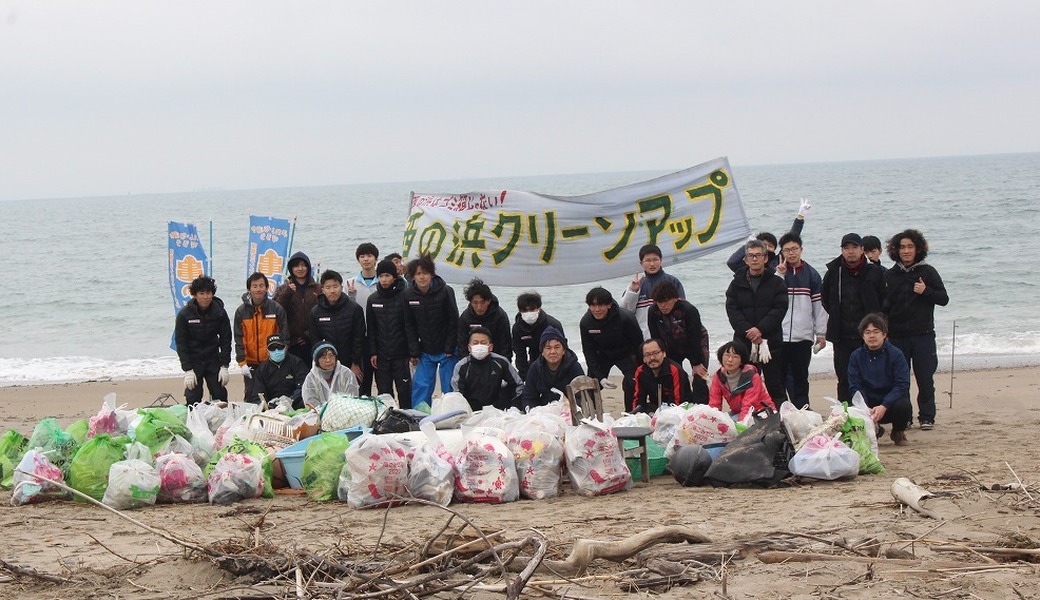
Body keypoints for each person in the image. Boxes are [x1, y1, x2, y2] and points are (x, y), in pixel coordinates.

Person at [884, 229, 949, 430]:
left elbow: (943, 299)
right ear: (896, 250)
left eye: (910, 247)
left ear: (918, 249)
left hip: (923, 334)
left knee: (925, 377)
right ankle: (905, 417)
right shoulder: (890, 274)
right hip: (897, 336)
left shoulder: (927, 272)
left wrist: (926, 291)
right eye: (902, 247)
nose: (906, 251)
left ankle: (927, 416)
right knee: (900, 380)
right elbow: (884, 306)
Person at [821, 233, 887, 402]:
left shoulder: (874, 272)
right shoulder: (834, 272)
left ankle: (871, 417)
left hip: (867, 334)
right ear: (842, 250)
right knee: (844, 378)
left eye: (854, 247)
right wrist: (836, 315)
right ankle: (846, 416)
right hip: (841, 335)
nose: (850, 252)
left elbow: (884, 299)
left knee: (871, 377)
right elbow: (826, 299)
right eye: (846, 248)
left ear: (862, 249)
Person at [725, 239, 788, 405]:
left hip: (771, 341)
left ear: (766, 258)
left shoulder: (777, 283)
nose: (754, 259)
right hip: (744, 343)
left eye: (758, 255)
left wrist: (760, 329)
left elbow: (779, 309)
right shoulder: (736, 284)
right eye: (751, 256)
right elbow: (732, 311)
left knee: (776, 386)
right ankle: (746, 421)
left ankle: (781, 421)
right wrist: (749, 331)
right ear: (745, 260)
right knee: (745, 385)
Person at [775, 232, 828, 409]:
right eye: (787, 250)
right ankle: (780, 413)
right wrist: (780, 275)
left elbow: (819, 307)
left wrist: (821, 333)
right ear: (782, 252)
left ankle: (803, 409)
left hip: (803, 336)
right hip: (779, 336)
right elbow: (770, 298)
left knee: (800, 377)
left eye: (794, 249)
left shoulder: (812, 275)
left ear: (801, 250)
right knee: (778, 378)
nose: (791, 253)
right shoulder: (776, 273)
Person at [403, 255, 460, 409]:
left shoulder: (446, 291)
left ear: (432, 274)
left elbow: (454, 320)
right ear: (412, 276)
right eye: (418, 274)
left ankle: (452, 413)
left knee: (449, 387)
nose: (422, 277)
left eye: (425, 273)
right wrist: (414, 350)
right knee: (422, 385)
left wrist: (450, 347)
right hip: (426, 350)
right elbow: (409, 325)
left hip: (447, 350)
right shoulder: (408, 295)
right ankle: (419, 416)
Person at [847, 313, 912, 446]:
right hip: (868, 403)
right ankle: (874, 430)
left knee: (904, 406)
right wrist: (865, 408)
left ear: (884, 334)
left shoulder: (896, 354)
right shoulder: (856, 356)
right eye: (867, 332)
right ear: (863, 336)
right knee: (849, 406)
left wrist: (884, 405)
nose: (872, 336)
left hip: (890, 403)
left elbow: (902, 384)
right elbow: (855, 385)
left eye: (876, 332)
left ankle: (898, 431)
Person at [647, 281, 709, 403]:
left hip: (696, 343)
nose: (663, 306)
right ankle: (681, 404)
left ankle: (702, 408)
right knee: (676, 375)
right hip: (671, 346)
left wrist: (696, 362)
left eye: (666, 301)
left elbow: (695, 335)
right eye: (659, 302)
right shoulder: (653, 312)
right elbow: (656, 337)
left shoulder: (688, 310)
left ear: (675, 299)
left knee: (700, 377)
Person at [174, 275, 232, 405]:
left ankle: (222, 422)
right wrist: (187, 369)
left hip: (213, 358)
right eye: (201, 293)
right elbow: (181, 343)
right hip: (194, 360)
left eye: (208, 293)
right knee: (193, 396)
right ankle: (194, 422)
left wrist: (224, 365)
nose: (206, 297)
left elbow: (226, 339)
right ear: (194, 295)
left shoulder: (220, 312)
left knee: (219, 393)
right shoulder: (185, 314)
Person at [579, 287, 643, 404]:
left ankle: (631, 413)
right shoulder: (586, 322)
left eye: (601, 305)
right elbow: (589, 351)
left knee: (634, 383)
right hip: (602, 355)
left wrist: (640, 367)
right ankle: (593, 415)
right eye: (593, 306)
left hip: (625, 353)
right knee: (592, 386)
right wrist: (600, 377)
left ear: (609, 305)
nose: (597, 309)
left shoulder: (626, 318)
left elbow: (639, 345)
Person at [233, 272, 289, 402]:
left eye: (261, 285)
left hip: (272, 361)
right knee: (251, 396)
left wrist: (280, 357)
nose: (258, 289)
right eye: (255, 286)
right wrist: (242, 363)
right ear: (249, 289)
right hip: (251, 363)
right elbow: (238, 339)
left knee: (274, 396)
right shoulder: (241, 312)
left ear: (267, 288)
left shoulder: (276, 309)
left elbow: (285, 336)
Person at [367, 259, 412, 406]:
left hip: (401, 355)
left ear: (394, 276)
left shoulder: (404, 296)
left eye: (387, 275)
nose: (384, 279)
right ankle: (388, 422)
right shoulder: (373, 299)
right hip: (381, 356)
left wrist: (411, 352)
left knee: (405, 392)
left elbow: (409, 326)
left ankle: (408, 420)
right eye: (381, 276)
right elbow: (371, 328)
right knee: (385, 395)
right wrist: (373, 352)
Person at [309, 270, 366, 383]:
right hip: (327, 363)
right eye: (328, 287)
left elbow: (359, 338)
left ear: (341, 286)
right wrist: (323, 363)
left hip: (351, 362)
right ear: (323, 289)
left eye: (335, 286)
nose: (332, 291)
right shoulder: (315, 312)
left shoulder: (354, 309)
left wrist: (355, 363)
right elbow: (315, 340)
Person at [619, 244, 686, 339]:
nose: (652, 264)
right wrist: (633, 291)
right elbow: (625, 311)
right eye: (648, 260)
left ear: (661, 260)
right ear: (641, 263)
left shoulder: (672, 282)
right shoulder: (637, 284)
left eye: (655, 260)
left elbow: (682, 309)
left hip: (670, 335)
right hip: (645, 337)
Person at [726, 198, 810, 272]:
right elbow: (732, 263)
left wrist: (800, 217)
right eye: (764, 245)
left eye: (770, 246)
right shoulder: (750, 265)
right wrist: (748, 246)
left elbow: (790, 240)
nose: (767, 248)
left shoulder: (778, 261)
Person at [451, 327, 524, 411]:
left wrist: (515, 407)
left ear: (490, 347)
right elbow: (456, 394)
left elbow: (518, 385)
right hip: (471, 412)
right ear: (469, 347)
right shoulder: (461, 366)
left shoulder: (501, 362)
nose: (479, 346)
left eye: (483, 343)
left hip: (498, 410)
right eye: (475, 343)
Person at [274, 251, 322, 367]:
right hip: (291, 343)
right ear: (291, 268)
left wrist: (308, 335)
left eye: (303, 265)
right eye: (296, 265)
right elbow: (276, 311)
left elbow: (324, 313)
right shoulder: (283, 288)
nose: (300, 268)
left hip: (312, 341)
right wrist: (287, 293)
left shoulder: (317, 288)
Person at [519, 326, 584, 410]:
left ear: (564, 350)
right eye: (548, 348)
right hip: (544, 412)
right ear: (542, 352)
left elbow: (583, 397)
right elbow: (528, 397)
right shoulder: (535, 368)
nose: (552, 352)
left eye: (557, 347)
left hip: (570, 411)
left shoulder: (574, 367)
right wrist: (536, 411)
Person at [708, 341, 776, 420]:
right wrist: (711, 420)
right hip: (738, 411)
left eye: (735, 356)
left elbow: (748, 404)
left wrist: (741, 424)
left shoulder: (751, 376)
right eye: (727, 355)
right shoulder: (718, 376)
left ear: (741, 360)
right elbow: (714, 403)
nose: (730, 360)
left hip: (761, 411)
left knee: (733, 424)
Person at [348, 242, 379, 395]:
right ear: (358, 260)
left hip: (381, 337)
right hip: (360, 338)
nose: (366, 259)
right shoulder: (351, 283)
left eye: (369, 256)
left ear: (376, 258)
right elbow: (347, 311)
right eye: (362, 256)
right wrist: (351, 295)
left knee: (382, 380)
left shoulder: (384, 281)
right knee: (363, 382)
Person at [510, 291, 564, 380]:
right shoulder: (517, 328)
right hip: (533, 359)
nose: (529, 313)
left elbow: (562, 349)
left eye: (532, 310)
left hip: (553, 360)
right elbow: (520, 354)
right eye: (525, 310)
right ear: (519, 311)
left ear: (539, 308)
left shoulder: (553, 324)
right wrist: (525, 377)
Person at [457, 278, 513, 362]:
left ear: (489, 301)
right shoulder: (465, 317)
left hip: (495, 358)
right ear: (470, 302)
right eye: (475, 303)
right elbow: (462, 345)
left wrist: (504, 365)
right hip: (473, 359)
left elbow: (505, 345)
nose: (479, 307)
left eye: (482, 302)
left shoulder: (500, 316)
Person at [631, 339, 693, 413]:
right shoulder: (640, 371)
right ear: (644, 358)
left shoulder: (674, 370)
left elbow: (677, 401)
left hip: (681, 408)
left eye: (656, 353)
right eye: (647, 355)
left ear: (664, 353)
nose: (652, 358)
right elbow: (638, 398)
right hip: (655, 406)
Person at [250, 333, 308, 408]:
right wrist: (268, 405)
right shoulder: (262, 369)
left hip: (295, 405)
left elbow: (305, 386)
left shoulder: (297, 363)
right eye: (272, 348)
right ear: (267, 351)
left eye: (280, 347)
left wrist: (291, 399)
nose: (276, 350)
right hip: (272, 408)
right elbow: (257, 395)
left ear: (286, 347)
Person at [302, 341, 360, 410]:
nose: (328, 360)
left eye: (331, 356)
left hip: (345, 413)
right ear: (316, 360)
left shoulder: (346, 373)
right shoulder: (311, 378)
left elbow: (352, 398)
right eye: (323, 357)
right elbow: (310, 402)